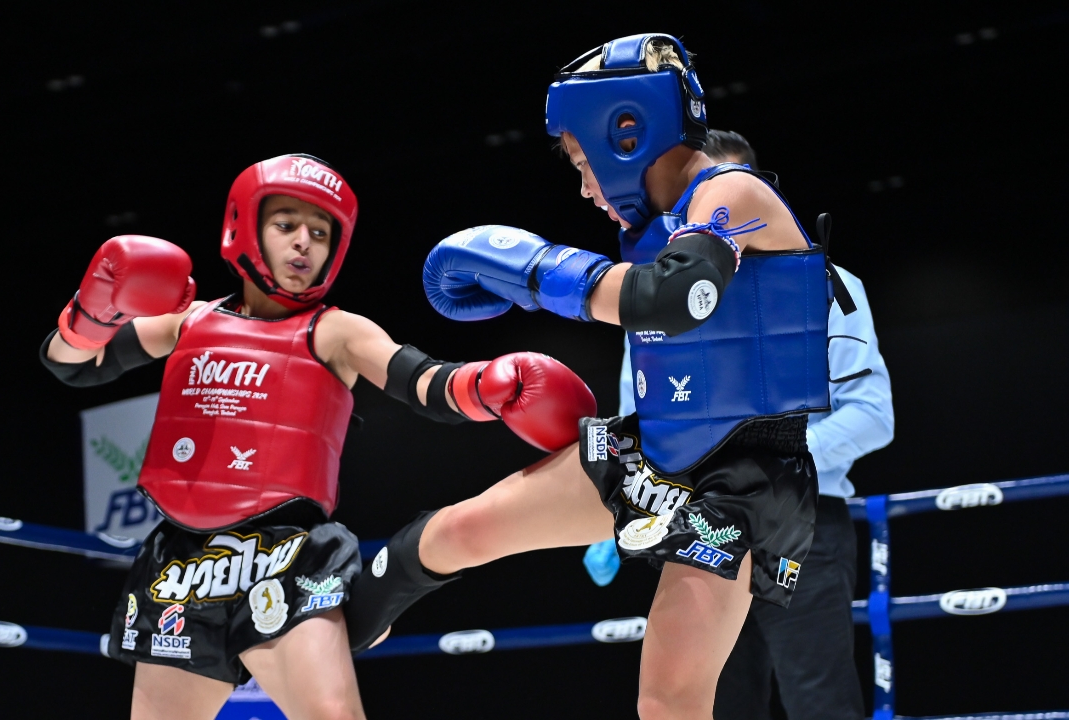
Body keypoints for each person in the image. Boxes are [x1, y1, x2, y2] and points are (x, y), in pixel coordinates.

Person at [345, 35, 839, 719]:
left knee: (669, 702)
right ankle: (314, 637)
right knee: (454, 533)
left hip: (744, 478)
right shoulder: (653, 227)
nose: (584, 188)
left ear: (626, 133)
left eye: (583, 164)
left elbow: (678, 296)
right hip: (657, 448)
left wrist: (536, 270)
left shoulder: (732, 191)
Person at [38, 154, 596, 720]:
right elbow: (73, 365)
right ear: (244, 228)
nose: (304, 243)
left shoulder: (335, 330)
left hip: (284, 554)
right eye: (285, 225)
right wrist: (92, 312)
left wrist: (487, 385)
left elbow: (423, 382)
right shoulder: (189, 321)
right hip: (180, 560)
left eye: (320, 232)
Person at [584, 129, 894, 719]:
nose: (708, 212)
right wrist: (615, 511)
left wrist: (762, 470)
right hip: (693, 524)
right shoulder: (652, 299)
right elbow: (638, 418)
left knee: (819, 701)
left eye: (722, 192)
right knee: (713, 705)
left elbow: (872, 415)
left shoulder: (826, 285)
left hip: (801, 521)